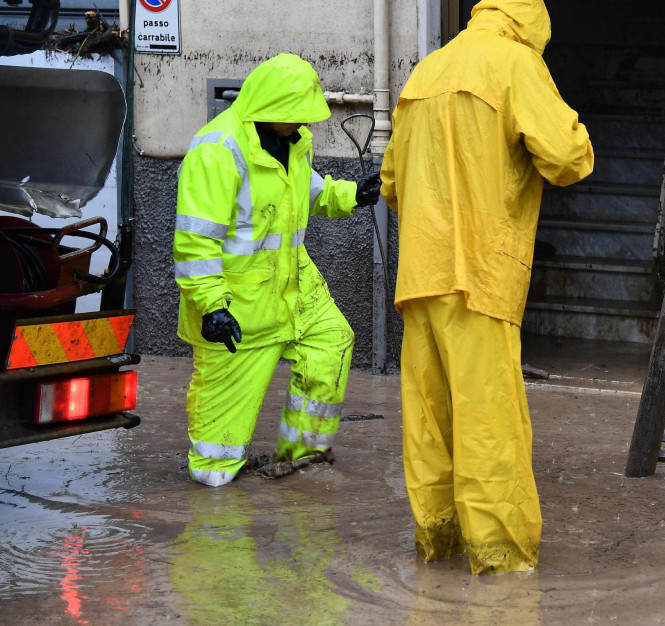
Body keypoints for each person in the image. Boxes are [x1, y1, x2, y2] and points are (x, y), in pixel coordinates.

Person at [380, 0, 593, 574]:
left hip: (420, 274)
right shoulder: (516, 64)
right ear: (532, 21)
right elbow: (568, 158)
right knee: (488, 419)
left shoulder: (426, 70)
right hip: (479, 274)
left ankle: (438, 539)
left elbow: (391, 184)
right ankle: (499, 558)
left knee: (428, 420)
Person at [173, 53, 381, 487]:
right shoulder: (217, 150)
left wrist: (353, 195)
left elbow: (309, 191)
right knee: (216, 465)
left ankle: (301, 457)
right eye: (296, 116)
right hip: (236, 313)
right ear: (270, 108)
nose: (304, 124)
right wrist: (212, 307)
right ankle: (213, 533)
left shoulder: (293, 143)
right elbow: (195, 240)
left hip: (295, 292)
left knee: (333, 342)